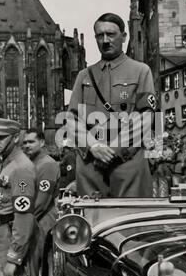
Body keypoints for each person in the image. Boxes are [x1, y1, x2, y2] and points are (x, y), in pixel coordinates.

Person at [67, 12, 156, 198]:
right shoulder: (84, 76)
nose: (105, 40)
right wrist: (93, 147)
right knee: (94, 221)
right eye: (100, 35)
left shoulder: (140, 71)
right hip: (91, 165)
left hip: (127, 163)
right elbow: (72, 119)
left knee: (130, 220)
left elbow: (145, 117)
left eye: (111, 34)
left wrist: (114, 151)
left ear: (124, 37)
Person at [0, 118, 38, 276]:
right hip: (4, 234)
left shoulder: (21, 167)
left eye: (1, 137)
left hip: (13, 236)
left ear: (16, 138)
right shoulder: (6, 162)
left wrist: (14, 256)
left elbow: (24, 216)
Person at [23, 128, 60, 274]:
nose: (27, 145)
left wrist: (22, 222)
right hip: (33, 220)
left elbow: (41, 202)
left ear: (42, 142)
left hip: (42, 221)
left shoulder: (47, 164)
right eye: (24, 142)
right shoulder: (30, 163)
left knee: (38, 266)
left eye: (31, 141)